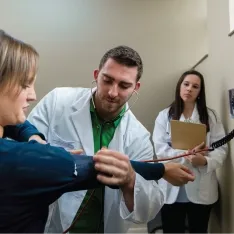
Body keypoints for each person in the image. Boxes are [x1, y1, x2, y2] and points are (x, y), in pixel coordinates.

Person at [0, 30, 194, 234]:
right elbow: (22, 152)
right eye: (107, 80)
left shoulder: (139, 137)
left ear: (136, 87)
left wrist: (130, 179)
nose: (112, 92)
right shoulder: (58, 101)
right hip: (54, 226)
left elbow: (147, 211)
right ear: (96, 75)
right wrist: (36, 139)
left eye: (124, 85)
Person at [153, 70, 228, 234]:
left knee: (199, 230)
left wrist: (205, 161)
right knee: (172, 230)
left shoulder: (210, 116)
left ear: (200, 92)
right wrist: (186, 156)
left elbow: (221, 148)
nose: (189, 89)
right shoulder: (164, 116)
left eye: (195, 86)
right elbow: (160, 150)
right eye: (186, 84)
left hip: (202, 186)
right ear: (179, 87)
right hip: (172, 188)